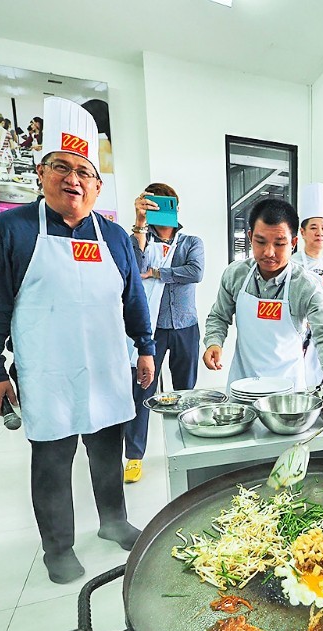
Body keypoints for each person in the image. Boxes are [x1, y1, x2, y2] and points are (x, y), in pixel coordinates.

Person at [0, 97, 155, 585]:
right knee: (52, 461)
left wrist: (147, 346)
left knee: (107, 449)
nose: (72, 180)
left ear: (97, 185)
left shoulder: (112, 236)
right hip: (48, 371)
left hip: (107, 367)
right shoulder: (11, 230)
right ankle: (58, 547)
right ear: (41, 173)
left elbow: (133, 298)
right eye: (61, 168)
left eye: (83, 172)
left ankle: (113, 521)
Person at [203, 198, 323, 391]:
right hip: (242, 386)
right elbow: (219, 316)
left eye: (279, 244)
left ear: (293, 243)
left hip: (288, 395)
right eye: (260, 242)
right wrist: (214, 342)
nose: (269, 252)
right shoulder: (236, 274)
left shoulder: (306, 286)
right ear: (250, 237)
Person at [123, 183, 205, 483]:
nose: (158, 210)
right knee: (143, 391)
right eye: (150, 204)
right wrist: (141, 224)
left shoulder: (191, 241)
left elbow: (195, 272)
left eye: (163, 204)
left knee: (186, 392)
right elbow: (136, 267)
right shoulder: (138, 238)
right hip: (150, 329)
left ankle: (188, 446)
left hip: (186, 325)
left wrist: (159, 273)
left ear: (175, 207)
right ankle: (134, 456)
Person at [293, 182, 323, 389]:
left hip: (322, 335)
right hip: (298, 337)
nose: (320, 232)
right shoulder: (292, 264)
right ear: (302, 232)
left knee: (320, 385)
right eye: (313, 227)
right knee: (296, 384)